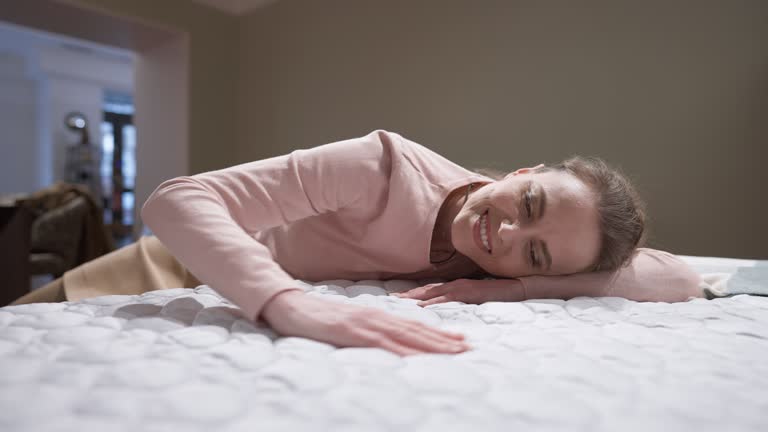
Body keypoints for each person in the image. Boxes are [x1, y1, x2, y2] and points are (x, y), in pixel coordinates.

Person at [11, 129, 703, 356]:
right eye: (528, 204)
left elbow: (679, 280)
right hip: (152, 270)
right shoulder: (383, 165)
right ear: (523, 174)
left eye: (537, 252)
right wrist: (289, 304)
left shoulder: (494, 262)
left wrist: (512, 286)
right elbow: (176, 201)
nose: (508, 233)